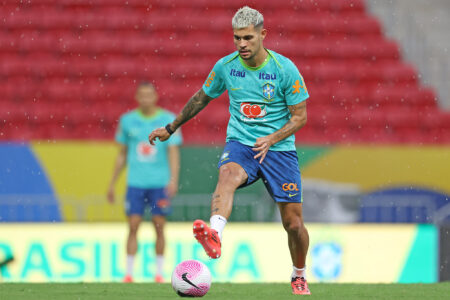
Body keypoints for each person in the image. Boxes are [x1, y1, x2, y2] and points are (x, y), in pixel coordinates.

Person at [149, 6, 310, 295]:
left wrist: (272, 138)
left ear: (263, 34)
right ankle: (215, 234)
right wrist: (170, 128)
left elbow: (300, 117)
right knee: (227, 174)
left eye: (248, 38)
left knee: (294, 224)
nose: (242, 44)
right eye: (237, 38)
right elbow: (201, 98)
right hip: (241, 143)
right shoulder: (226, 67)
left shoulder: (284, 69)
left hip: (279, 150)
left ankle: (299, 273)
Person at [108, 82, 182, 283]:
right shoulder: (127, 121)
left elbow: (173, 152)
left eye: (149, 94)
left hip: (159, 183)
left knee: (159, 225)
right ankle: (129, 273)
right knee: (133, 225)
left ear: (156, 96)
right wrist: (113, 183)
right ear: (137, 97)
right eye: (142, 94)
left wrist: (173, 179)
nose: (146, 98)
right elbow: (122, 154)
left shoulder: (167, 119)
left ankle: (159, 273)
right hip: (136, 183)